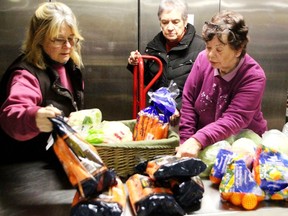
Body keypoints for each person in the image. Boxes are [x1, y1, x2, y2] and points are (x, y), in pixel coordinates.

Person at [0, 2, 84, 163]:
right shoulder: (25, 74)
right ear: (39, 39)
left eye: (72, 39)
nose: (67, 46)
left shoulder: (70, 66)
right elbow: (11, 115)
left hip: (58, 161)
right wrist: (32, 118)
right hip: (28, 167)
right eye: (58, 40)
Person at [176, 10, 268, 158]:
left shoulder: (253, 76)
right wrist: (187, 141)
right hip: (206, 144)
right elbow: (189, 101)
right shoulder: (202, 60)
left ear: (238, 50)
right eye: (208, 47)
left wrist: (197, 140)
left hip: (242, 147)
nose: (211, 55)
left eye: (219, 49)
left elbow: (233, 118)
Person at [127, 0, 205, 124]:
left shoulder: (201, 48)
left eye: (175, 22)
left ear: (185, 21)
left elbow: (205, 89)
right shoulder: (154, 46)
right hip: (157, 118)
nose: (169, 27)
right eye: (165, 22)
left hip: (188, 120)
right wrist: (135, 65)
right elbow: (148, 83)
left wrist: (179, 108)